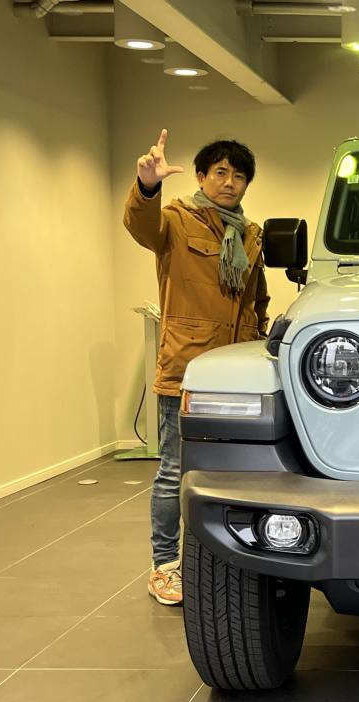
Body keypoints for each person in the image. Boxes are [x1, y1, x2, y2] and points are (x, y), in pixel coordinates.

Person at [124, 129, 269, 605]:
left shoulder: (250, 234)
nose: (229, 182)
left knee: (234, 471)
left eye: (239, 176)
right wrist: (147, 185)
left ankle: (228, 559)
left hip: (238, 372)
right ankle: (165, 564)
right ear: (202, 177)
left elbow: (256, 299)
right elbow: (141, 225)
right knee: (175, 471)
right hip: (186, 367)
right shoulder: (175, 220)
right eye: (220, 172)